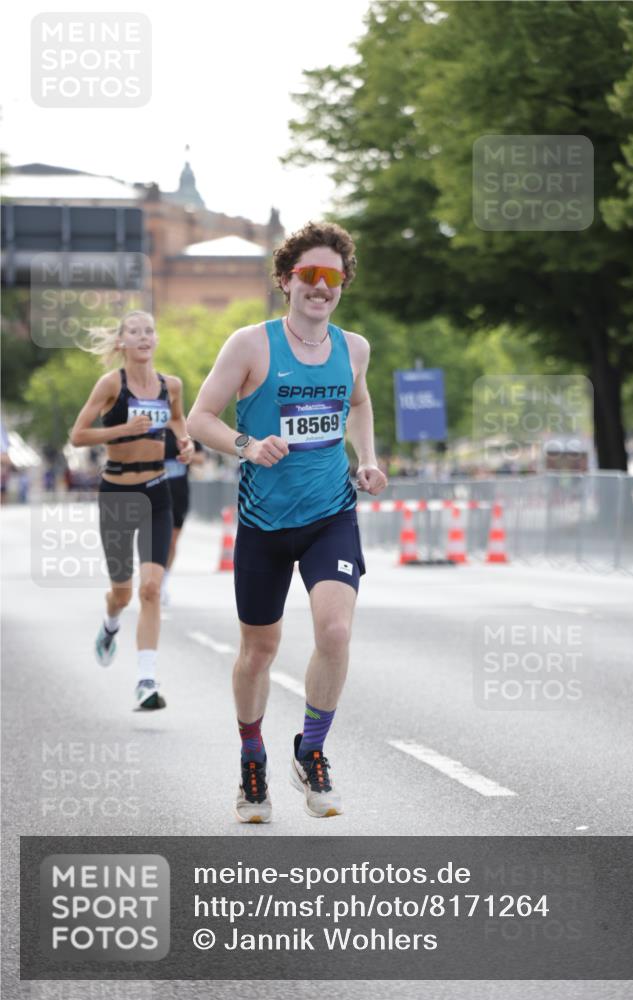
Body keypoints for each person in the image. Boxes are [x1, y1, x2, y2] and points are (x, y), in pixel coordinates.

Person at [188, 221, 387, 822]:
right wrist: (247, 445)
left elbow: (359, 401)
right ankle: (253, 759)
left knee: (335, 633)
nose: (321, 287)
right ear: (286, 280)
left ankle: (312, 750)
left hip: (331, 515)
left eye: (332, 277)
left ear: (343, 284)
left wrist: (370, 458)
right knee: (259, 650)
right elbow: (200, 419)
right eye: (310, 276)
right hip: (264, 523)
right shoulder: (251, 345)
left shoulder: (354, 348)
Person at [69, 310, 194, 709]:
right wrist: (123, 429)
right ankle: (109, 625)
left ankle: (146, 681)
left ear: (156, 340)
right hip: (118, 494)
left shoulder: (170, 385)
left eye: (149, 331)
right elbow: (78, 435)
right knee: (122, 595)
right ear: (121, 342)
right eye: (134, 332)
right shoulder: (111, 384)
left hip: (157, 489)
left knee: (152, 589)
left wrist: (186, 442)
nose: (143, 337)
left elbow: (177, 422)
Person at [161, 428, 205, 606]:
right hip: (154, 494)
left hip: (178, 495)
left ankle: (162, 582)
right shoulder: (152, 426)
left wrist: (186, 454)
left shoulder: (184, 431)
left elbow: (201, 458)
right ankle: (151, 581)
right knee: (155, 540)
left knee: (171, 542)